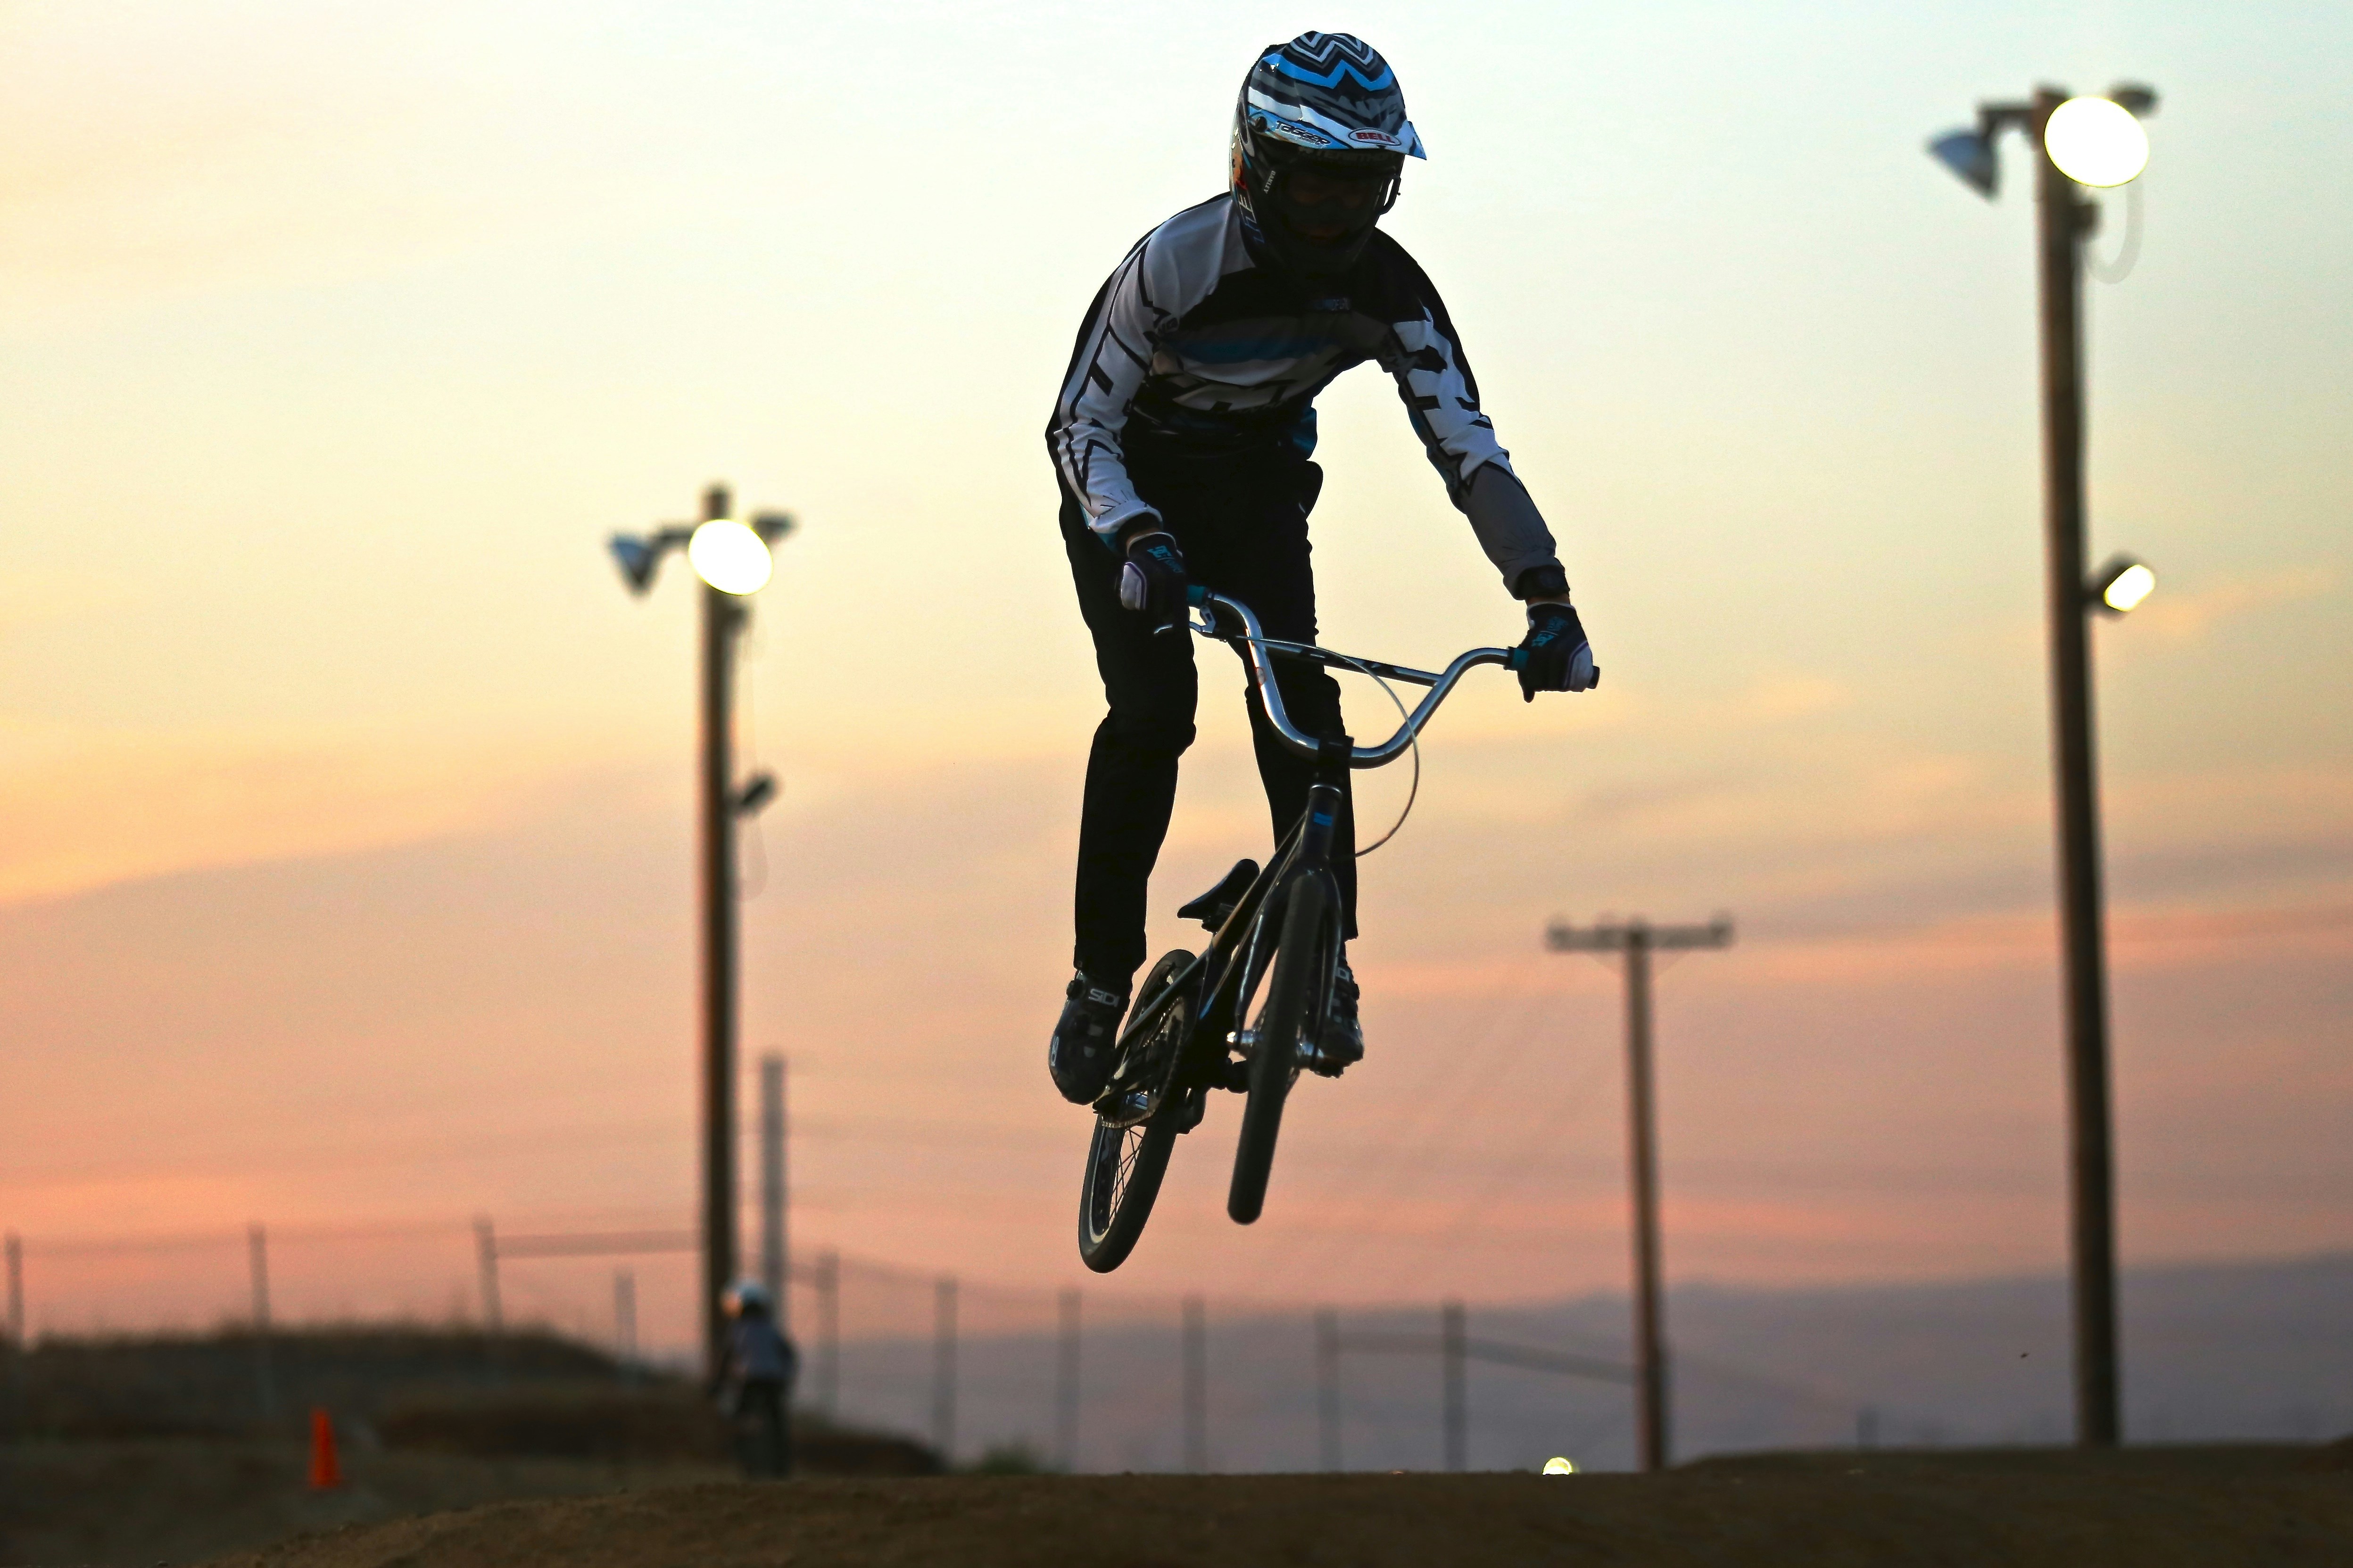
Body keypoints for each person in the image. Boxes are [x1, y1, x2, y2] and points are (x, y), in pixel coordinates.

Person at [1045, 33, 1597, 1106]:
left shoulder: (1394, 296)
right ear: (1254, 170)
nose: (1334, 220)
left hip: (1253, 495)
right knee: (1153, 713)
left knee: (1300, 706)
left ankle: (1325, 963)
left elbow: (1467, 450)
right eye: (1312, 190)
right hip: (1128, 497)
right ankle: (1096, 982)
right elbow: (1078, 425)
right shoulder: (1173, 266)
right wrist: (1132, 536)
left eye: (1360, 192)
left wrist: (1545, 595)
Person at [713, 1280, 798, 1477]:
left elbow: (726, 1359)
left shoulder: (737, 1330)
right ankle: (782, 1468)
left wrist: (716, 1384)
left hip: (749, 1381)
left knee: (740, 1418)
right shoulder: (772, 1329)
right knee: (778, 1422)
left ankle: (745, 1461)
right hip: (774, 1382)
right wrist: (787, 1379)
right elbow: (789, 1355)